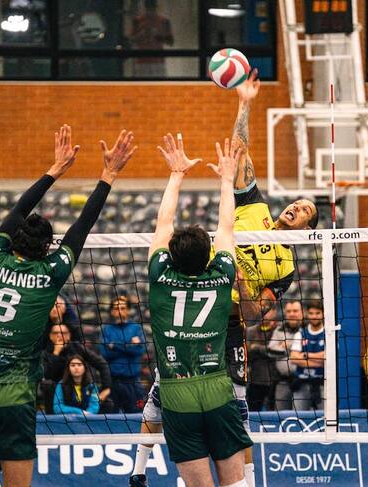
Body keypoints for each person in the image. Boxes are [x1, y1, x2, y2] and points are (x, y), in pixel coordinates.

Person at [130, 72, 319, 487]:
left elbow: (255, 315)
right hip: (192, 313)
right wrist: (244, 103)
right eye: (297, 202)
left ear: (308, 229)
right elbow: (239, 152)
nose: (297, 208)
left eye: (306, 210)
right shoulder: (255, 208)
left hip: (228, 326)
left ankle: (244, 477)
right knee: (162, 395)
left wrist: (242, 286)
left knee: (238, 406)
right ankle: (140, 471)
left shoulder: (285, 268)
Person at [0, 124, 136, 487]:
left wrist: (55, 170)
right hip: (17, 397)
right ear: (47, 249)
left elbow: (19, 209)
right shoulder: (51, 272)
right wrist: (108, 175)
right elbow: (82, 227)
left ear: (13, 238)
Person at [141, 133, 251, 487]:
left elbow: (163, 225)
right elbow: (226, 227)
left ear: (172, 257)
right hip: (217, 387)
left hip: (176, 393)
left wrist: (177, 174)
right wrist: (226, 179)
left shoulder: (160, 276)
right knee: (235, 484)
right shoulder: (221, 277)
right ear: (209, 256)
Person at [41, 322, 112, 414]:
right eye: (56, 333)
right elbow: (47, 375)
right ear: (50, 336)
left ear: (69, 335)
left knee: (107, 403)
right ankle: (52, 419)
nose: (59, 335)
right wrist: (56, 353)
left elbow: (102, 364)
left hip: (82, 388)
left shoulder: (77, 347)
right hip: (61, 390)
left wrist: (107, 387)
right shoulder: (45, 352)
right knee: (47, 384)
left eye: (63, 333)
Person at [100, 296, 146, 413]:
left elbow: (139, 351)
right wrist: (129, 345)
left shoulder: (136, 328)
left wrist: (114, 345)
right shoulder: (106, 329)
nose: (119, 311)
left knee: (137, 416)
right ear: (112, 311)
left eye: (123, 308)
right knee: (111, 418)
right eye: (116, 308)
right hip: (113, 383)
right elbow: (105, 353)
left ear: (128, 310)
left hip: (133, 382)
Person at [267, 300, 304, 410]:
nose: (292, 314)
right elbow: (270, 351)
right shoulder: (279, 330)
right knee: (280, 414)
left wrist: (286, 345)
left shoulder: (308, 329)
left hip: (304, 382)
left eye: (295, 311)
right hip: (282, 381)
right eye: (289, 311)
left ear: (302, 312)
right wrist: (295, 350)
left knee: (302, 414)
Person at [289, 300, 325, 411]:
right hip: (301, 383)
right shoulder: (300, 334)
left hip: (322, 384)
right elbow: (293, 358)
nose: (314, 316)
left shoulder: (329, 334)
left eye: (317, 313)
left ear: (323, 314)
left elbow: (327, 357)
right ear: (307, 314)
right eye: (311, 313)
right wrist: (318, 361)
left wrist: (304, 355)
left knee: (326, 417)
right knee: (298, 417)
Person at [130, 0, 174, 77]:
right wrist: (141, 34)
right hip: (144, 62)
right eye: (149, 7)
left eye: (151, 7)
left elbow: (170, 42)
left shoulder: (164, 21)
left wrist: (157, 36)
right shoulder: (137, 21)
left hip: (156, 62)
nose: (150, 10)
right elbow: (131, 41)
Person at [246, 308, 278, 411]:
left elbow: (276, 351)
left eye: (268, 311)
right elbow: (248, 351)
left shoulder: (278, 330)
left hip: (276, 379)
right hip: (256, 379)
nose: (266, 315)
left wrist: (256, 347)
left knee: (273, 411)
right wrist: (266, 349)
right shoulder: (251, 331)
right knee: (253, 410)